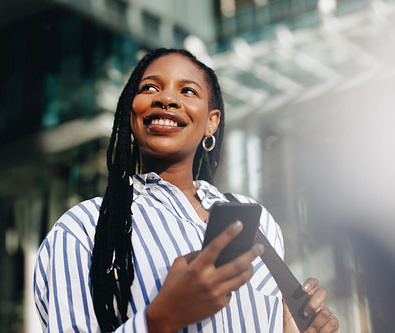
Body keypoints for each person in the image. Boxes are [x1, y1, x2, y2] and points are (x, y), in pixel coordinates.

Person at [34, 48, 339, 332]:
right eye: (149, 88)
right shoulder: (82, 229)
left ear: (211, 122)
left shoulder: (258, 222)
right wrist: (163, 317)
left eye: (188, 91)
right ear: (131, 113)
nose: (166, 99)